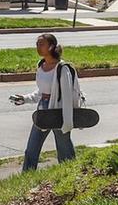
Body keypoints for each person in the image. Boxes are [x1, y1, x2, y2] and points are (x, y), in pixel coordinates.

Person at [15, 32, 79, 170]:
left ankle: (71, 174)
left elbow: (67, 96)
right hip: (43, 110)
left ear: (51, 47)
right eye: (37, 44)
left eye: (41, 44)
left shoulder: (63, 69)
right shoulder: (41, 65)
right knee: (31, 149)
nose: (38, 47)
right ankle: (27, 177)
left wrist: (67, 121)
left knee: (64, 150)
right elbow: (41, 92)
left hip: (58, 111)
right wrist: (25, 99)